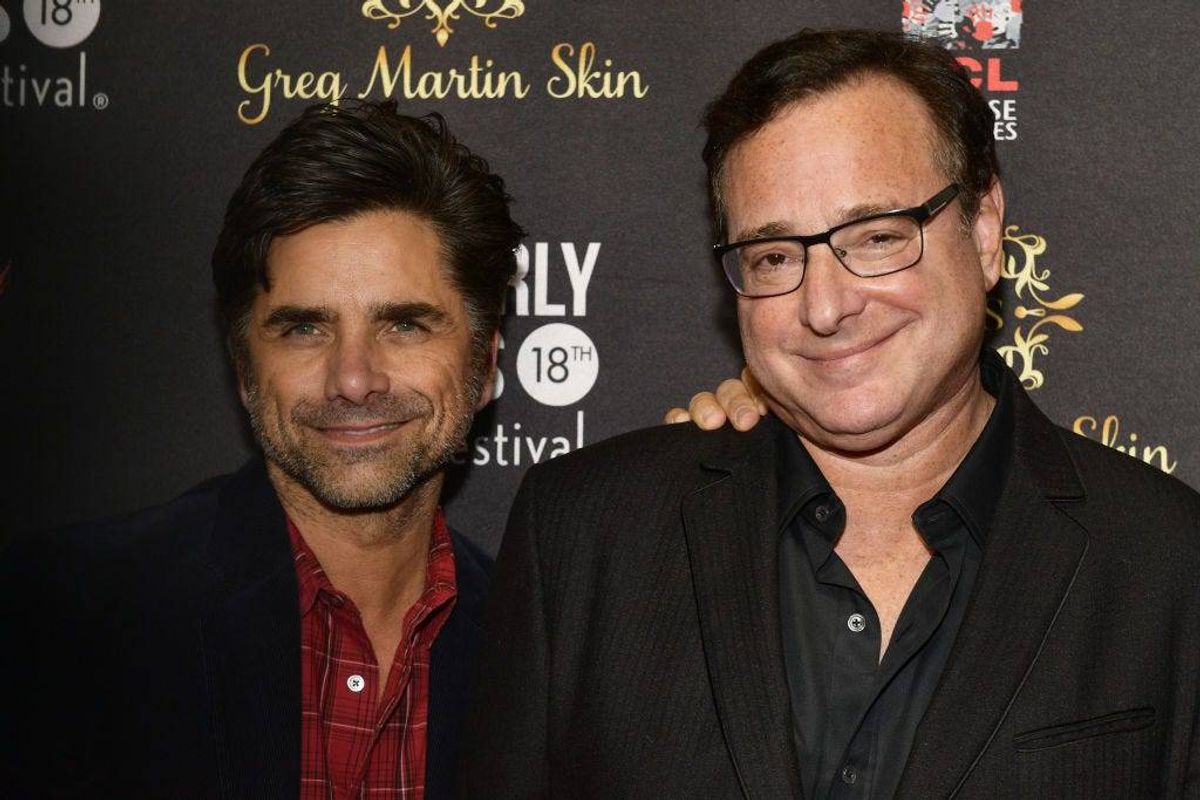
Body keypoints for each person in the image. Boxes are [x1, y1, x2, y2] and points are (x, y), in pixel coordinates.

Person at [463, 28, 1200, 798]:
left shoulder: (1168, 566)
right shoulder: (586, 538)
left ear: (983, 235)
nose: (824, 306)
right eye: (775, 257)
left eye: (878, 237)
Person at [0, 101, 523, 799]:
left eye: (404, 325)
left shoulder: (533, 651)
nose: (354, 379)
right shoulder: (54, 621)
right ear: (245, 370)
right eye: (305, 330)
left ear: (484, 364)